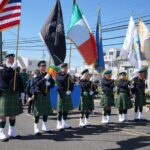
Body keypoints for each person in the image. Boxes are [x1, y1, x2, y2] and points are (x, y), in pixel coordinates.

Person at [0, 54, 24, 142]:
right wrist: (11, 68)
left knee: (13, 114)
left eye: (12, 59)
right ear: (6, 59)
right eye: (9, 59)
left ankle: (12, 132)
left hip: (15, 93)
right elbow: (4, 76)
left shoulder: (16, 69)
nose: (11, 60)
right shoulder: (2, 67)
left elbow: (19, 80)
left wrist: (22, 91)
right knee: (3, 114)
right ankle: (1, 132)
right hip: (5, 93)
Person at [30, 61, 55, 135]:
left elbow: (53, 84)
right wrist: (44, 79)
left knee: (45, 111)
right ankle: (36, 128)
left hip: (46, 94)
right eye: (42, 66)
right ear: (39, 67)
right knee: (37, 112)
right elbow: (37, 84)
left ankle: (45, 126)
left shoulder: (48, 75)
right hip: (39, 94)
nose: (43, 67)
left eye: (44, 66)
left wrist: (49, 84)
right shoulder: (36, 75)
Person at [56, 63, 74, 130]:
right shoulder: (58, 74)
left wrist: (70, 90)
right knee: (60, 109)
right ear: (62, 68)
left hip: (67, 93)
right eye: (65, 68)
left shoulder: (68, 75)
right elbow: (61, 80)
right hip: (61, 93)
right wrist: (67, 75)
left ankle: (64, 123)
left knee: (66, 109)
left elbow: (72, 83)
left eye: (67, 68)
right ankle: (58, 123)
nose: (66, 69)